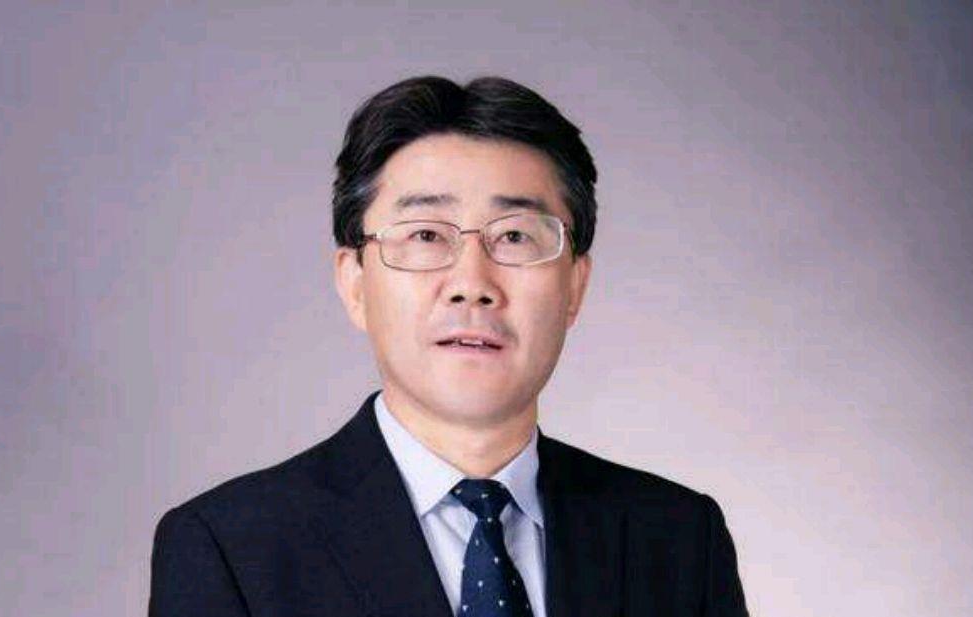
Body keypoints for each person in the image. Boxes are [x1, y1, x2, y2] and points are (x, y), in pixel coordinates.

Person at [149, 75, 750, 617]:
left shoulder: (678, 539)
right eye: (426, 235)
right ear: (355, 284)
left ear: (575, 286)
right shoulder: (231, 549)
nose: (472, 284)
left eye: (515, 236)